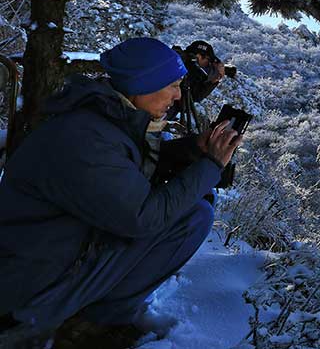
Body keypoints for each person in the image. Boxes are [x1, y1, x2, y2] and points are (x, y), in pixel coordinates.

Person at [0, 38, 242, 348]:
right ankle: (91, 324)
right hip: (26, 291)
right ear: (143, 85)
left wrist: (192, 150)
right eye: (172, 85)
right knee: (192, 216)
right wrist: (210, 166)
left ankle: (96, 313)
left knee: (195, 207)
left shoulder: (98, 118)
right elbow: (142, 218)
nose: (178, 95)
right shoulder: (84, 138)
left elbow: (119, 167)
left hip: (46, 257)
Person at [168, 40, 227, 131]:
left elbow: (195, 97)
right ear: (198, 57)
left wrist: (214, 80)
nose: (208, 65)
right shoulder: (177, 62)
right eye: (208, 60)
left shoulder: (189, 74)